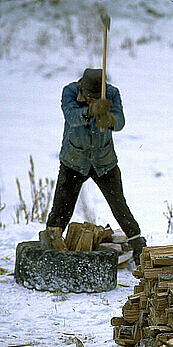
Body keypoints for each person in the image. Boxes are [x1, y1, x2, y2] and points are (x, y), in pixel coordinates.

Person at [46, 68, 146, 264]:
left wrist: (109, 118)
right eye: (89, 98)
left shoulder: (112, 93)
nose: (92, 100)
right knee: (61, 208)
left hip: (104, 162)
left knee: (119, 205)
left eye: (95, 98)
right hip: (73, 162)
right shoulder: (70, 91)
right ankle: (51, 244)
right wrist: (90, 111)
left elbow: (120, 123)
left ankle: (137, 244)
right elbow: (71, 116)